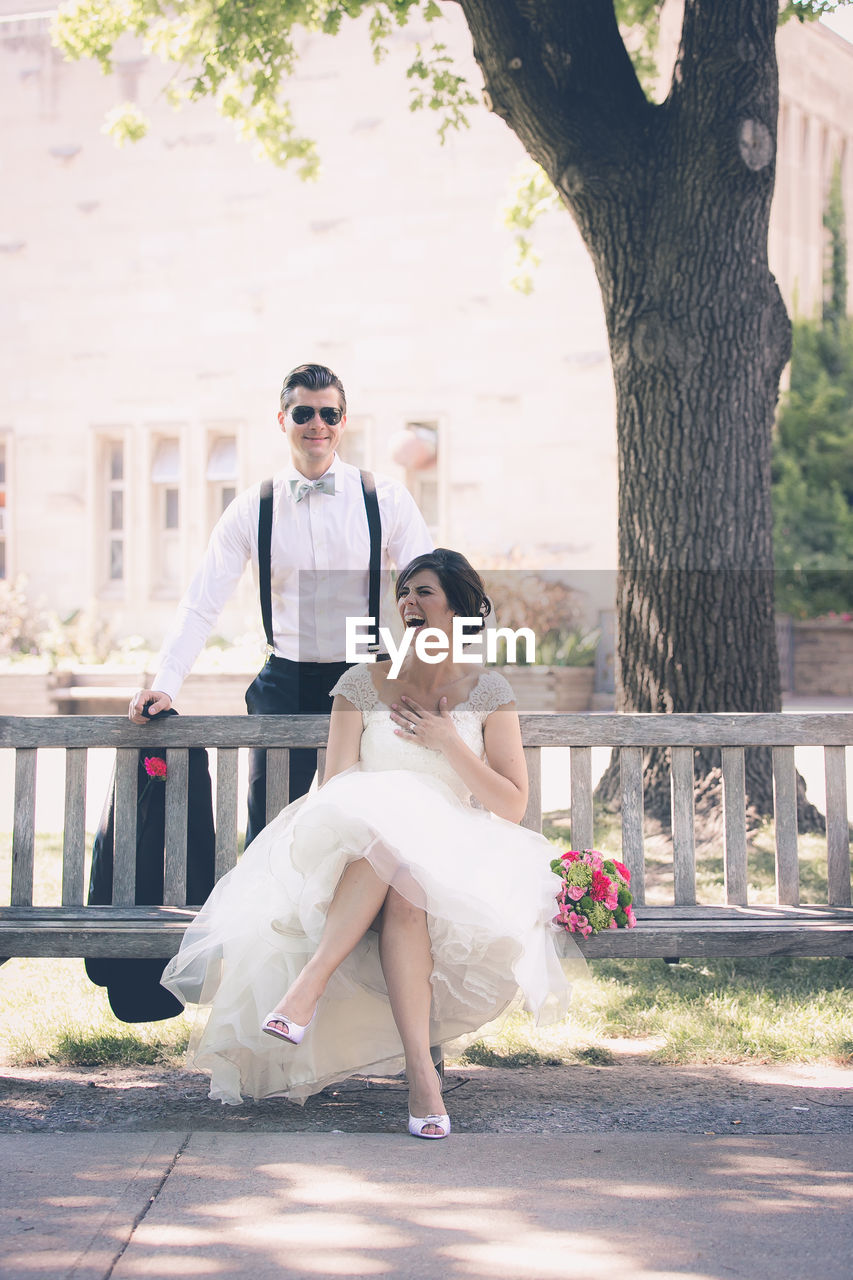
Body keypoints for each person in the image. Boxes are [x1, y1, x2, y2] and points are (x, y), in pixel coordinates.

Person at [161, 550, 583, 1139]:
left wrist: (447, 743)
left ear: (460, 610)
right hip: (353, 848)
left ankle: (315, 995)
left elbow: (511, 803)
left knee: (408, 880)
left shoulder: (487, 690)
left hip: (453, 850)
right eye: (404, 592)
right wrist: (388, 815)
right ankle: (421, 1080)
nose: (409, 602)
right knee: (391, 851)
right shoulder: (361, 682)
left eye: (426, 592)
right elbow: (336, 785)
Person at [128, 364, 433, 843]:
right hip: (286, 681)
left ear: (343, 421)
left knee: (372, 831)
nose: (318, 424)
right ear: (282, 419)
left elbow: (431, 600)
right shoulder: (253, 507)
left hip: (368, 678)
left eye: (329, 413)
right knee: (269, 834)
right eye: (305, 412)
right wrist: (166, 683)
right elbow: (201, 602)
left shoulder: (386, 499)